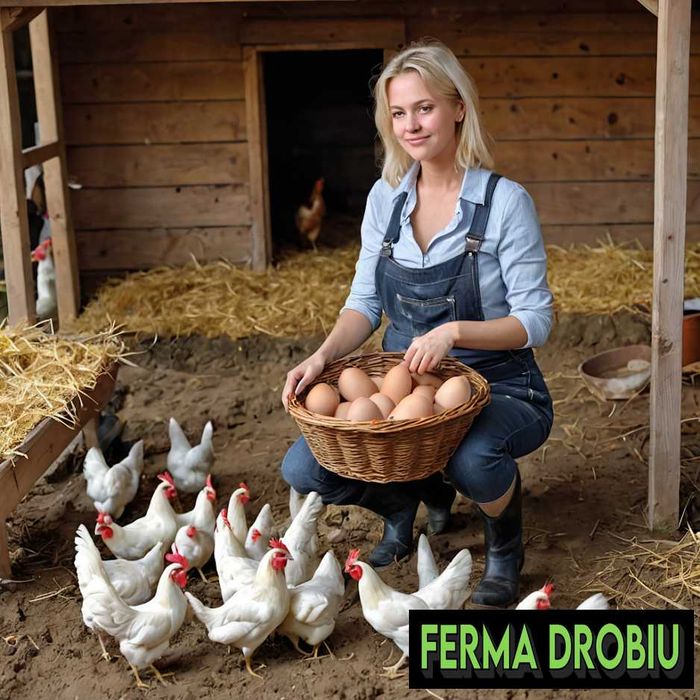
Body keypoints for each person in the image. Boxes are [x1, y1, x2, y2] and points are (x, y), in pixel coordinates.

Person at [280, 40, 554, 607]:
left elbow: (536, 320)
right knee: (306, 467)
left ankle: (504, 549)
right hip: (402, 381)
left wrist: (454, 333)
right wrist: (322, 356)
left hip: (499, 381)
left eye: (425, 108)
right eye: (399, 112)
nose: (411, 125)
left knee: (472, 457)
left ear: (458, 108)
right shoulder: (386, 199)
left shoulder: (504, 202)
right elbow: (364, 303)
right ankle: (400, 504)